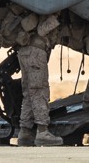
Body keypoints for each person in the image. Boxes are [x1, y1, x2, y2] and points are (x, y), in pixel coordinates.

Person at [13, 11, 63, 147]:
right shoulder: (47, 13)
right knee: (39, 91)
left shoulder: (33, 10)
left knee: (29, 93)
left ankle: (25, 131)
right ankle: (42, 132)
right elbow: (41, 31)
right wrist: (55, 18)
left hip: (24, 52)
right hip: (36, 53)